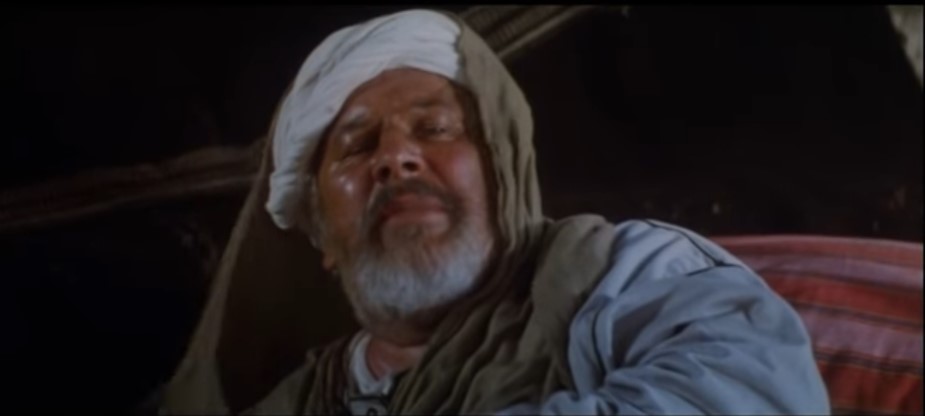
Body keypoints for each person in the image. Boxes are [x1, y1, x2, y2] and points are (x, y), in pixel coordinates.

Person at [160, 9, 830, 415]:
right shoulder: (302, 399)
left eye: (434, 128)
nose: (395, 157)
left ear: (502, 167)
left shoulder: (619, 271)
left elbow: (749, 392)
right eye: (358, 146)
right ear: (324, 237)